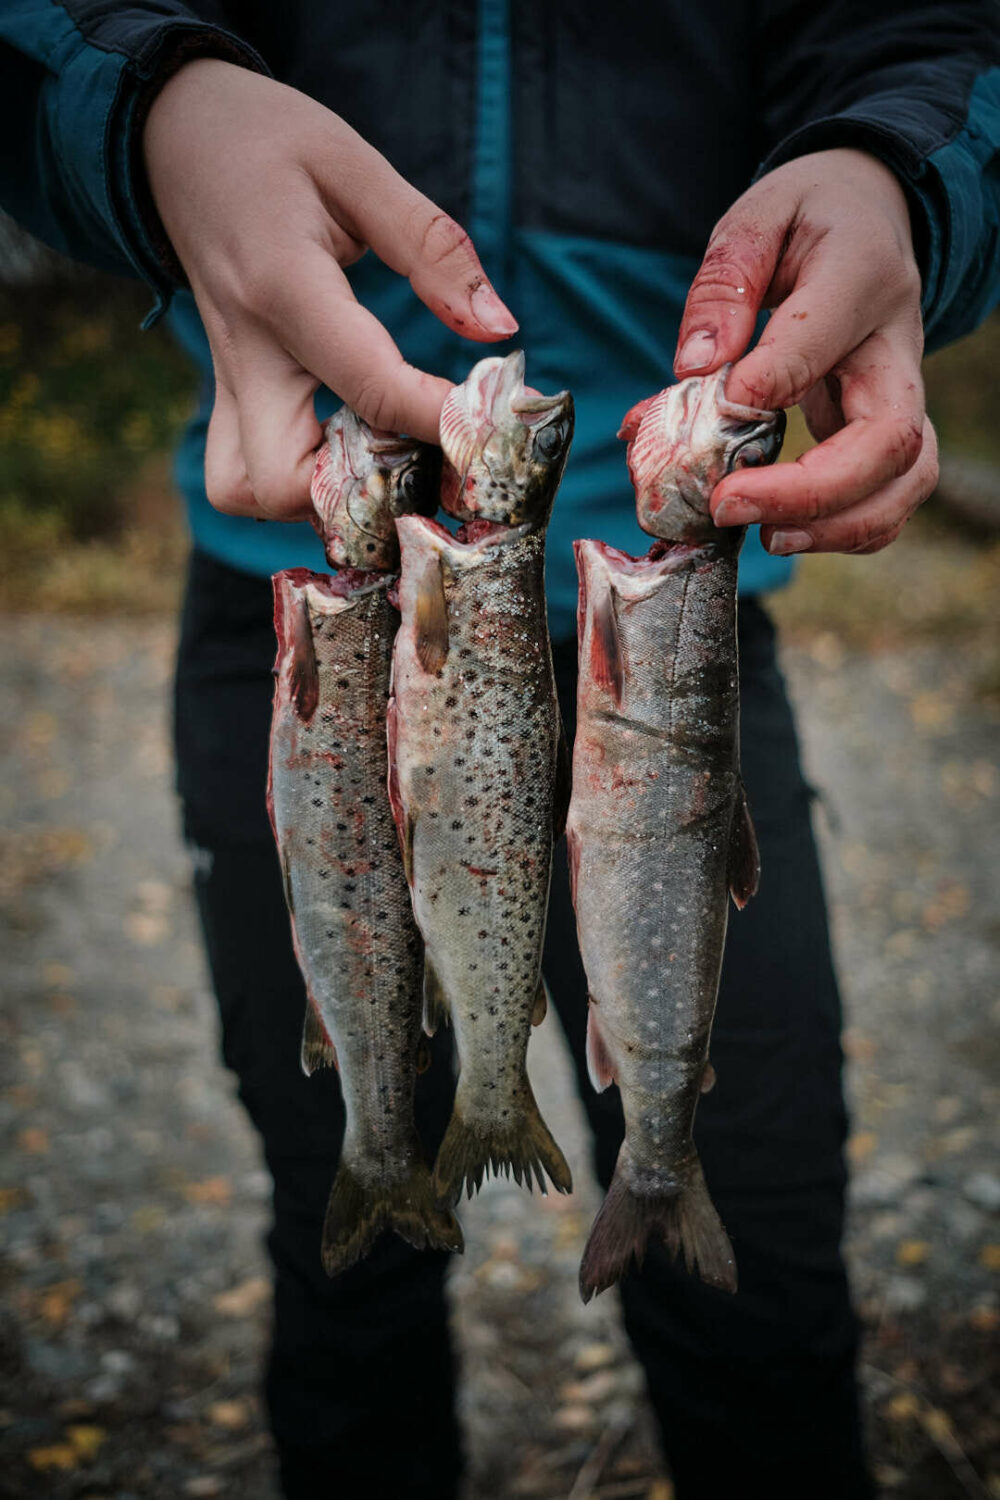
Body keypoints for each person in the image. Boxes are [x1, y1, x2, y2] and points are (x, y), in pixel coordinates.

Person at [2, 3, 998, 1495]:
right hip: (301, 614)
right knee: (340, 1232)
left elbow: (935, 39)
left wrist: (902, 178)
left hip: (675, 679)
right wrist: (154, 115)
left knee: (766, 1267)